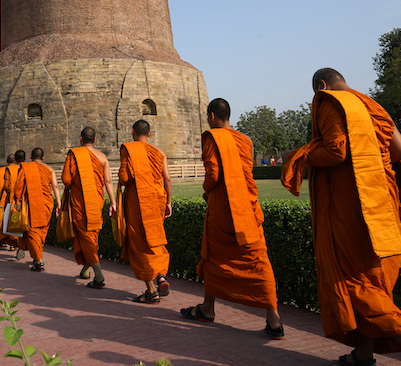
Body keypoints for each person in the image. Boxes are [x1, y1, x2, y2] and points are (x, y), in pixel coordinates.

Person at [280, 68, 401, 366]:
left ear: (322, 86)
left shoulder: (330, 101)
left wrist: (297, 155)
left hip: (353, 208)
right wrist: (370, 162)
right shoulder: (371, 104)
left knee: (349, 279)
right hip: (383, 205)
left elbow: (336, 151)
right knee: (374, 280)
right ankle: (363, 355)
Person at [180, 98, 284, 340]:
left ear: (213, 116)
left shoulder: (211, 137)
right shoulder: (245, 140)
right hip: (247, 208)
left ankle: (208, 308)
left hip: (223, 210)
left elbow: (213, 174)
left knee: (214, 256)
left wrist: (206, 189)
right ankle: (273, 318)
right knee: (257, 258)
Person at [118, 120, 173, 304]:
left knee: (140, 243)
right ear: (149, 134)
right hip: (157, 200)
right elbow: (167, 180)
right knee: (155, 238)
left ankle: (151, 291)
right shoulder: (159, 152)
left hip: (138, 202)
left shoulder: (129, 149)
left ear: (132, 132)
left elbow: (125, 178)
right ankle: (161, 276)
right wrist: (169, 202)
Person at [61, 127, 116, 288]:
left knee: (85, 234)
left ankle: (98, 273)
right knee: (92, 233)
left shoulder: (74, 154)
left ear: (80, 139)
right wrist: (112, 202)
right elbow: (107, 182)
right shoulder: (103, 157)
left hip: (80, 200)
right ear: (95, 140)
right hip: (97, 200)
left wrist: (77, 185)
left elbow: (65, 180)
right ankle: (86, 268)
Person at [15, 147, 61, 271]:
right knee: (41, 231)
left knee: (33, 231)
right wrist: (58, 203)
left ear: (30, 157)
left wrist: (18, 202)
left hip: (32, 203)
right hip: (47, 203)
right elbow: (55, 186)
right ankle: (37, 257)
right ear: (43, 157)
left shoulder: (25, 168)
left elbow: (18, 188)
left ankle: (38, 260)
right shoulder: (49, 169)